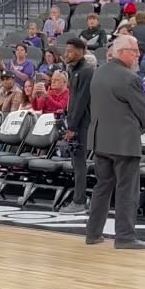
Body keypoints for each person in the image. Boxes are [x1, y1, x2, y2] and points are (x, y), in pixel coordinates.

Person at [84, 35, 145, 250]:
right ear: (122, 52)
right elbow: (143, 111)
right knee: (126, 190)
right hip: (124, 142)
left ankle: (93, 233)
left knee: (102, 187)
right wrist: (139, 129)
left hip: (100, 140)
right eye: (134, 51)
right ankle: (125, 237)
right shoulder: (130, 78)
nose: (137, 54)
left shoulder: (99, 72)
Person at [63, 36, 92, 210]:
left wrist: (72, 127)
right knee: (76, 163)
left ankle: (79, 201)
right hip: (74, 122)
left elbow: (81, 101)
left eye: (70, 51)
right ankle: (78, 199)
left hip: (83, 123)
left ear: (80, 52)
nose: (66, 54)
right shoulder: (73, 70)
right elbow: (72, 101)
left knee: (80, 163)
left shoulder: (87, 71)